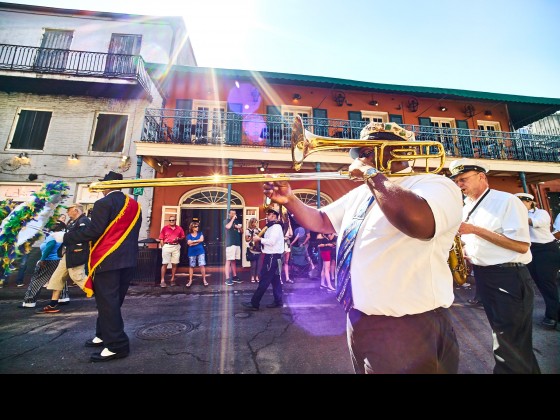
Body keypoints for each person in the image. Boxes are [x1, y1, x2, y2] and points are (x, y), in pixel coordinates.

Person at [262, 121, 463, 374]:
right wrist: (289, 200)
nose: (363, 157)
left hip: (411, 326)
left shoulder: (433, 184)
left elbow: (419, 222)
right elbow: (322, 221)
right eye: (361, 152)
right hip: (359, 319)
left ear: (401, 151)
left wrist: (371, 175)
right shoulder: (363, 193)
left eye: (370, 150)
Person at [450, 159, 541, 374]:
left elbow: (520, 245)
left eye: (463, 179)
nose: (459, 185)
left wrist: (476, 230)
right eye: (456, 181)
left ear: (482, 177)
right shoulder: (467, 206)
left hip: (508, 276)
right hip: (485, 276)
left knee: (506, 343)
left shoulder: (507, 201)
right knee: (513, 343)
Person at [51, 171, 142, 362]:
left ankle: (117, 345)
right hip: (128, 260)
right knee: (112, 302)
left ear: (106, 187)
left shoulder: (103, 203)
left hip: (107, 260)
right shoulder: (134, 205)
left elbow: (94, 231)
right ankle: (103, 334)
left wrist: (65, 237)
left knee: (107, 303)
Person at [515, 192, 560, 330]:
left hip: (546, 250)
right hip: (530, 250)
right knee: (529, 283)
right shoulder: (515, 216)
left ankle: (553, 316)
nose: (520, 206)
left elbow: (537, 223)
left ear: (530, 202)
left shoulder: (540, 213)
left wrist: (517, 216)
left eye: (523, 203)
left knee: (547, 283)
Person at [36, 203, 91, 313]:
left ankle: (102, 296)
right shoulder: (73, 222)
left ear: (76, 210)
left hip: (76, 254)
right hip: (68, 253)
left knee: (78, 277)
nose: (67, 212)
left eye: (69, 210)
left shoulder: (84, 221)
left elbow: (83, 237)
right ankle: (53, 304)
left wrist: (63, 237)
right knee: (57, 277)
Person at [242, 207, 284, 311]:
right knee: (275, 280)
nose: (266, 216)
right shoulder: (271, 227)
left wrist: (259, 239)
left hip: (272, 257)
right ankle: (278, 301)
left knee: (264, 279)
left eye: (268, 214)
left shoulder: (276, 227)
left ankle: (254, 303)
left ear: (273, 215)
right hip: (274, 256)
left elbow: (272, 241)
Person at [18, 221, 67, 308]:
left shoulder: (53, 236)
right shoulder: (62, 235)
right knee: (60, 279)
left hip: (49, 261)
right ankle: (63, 298)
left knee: (37, 280)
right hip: (58, 260)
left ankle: (29, 301)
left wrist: (42, 259)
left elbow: (50, 246)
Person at [159, 215, 185, 288]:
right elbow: (161, 238)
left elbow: (183, 237)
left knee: (175, 263)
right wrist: (163, 246)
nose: (171, 221)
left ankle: (172, 279)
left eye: (173, 220)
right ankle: (162, 280)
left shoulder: (179, 228)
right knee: (165, 263)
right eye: (170, 220)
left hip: (176, 246)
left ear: (175, 220)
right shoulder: (165, 228)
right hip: (167, 246)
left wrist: (178, 238)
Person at [224, 209, 243, 286]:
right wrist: (232, 220)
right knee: (228, 260)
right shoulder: (226, 221)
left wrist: (239, 227)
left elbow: (242, 232)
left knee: (234, 260)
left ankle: (235, 276)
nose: (234, 214)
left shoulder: (237, 221)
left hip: (236, 243)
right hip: (230, 243)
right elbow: (228, 227)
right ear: (229, 214)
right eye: (232, 213)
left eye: (234, 213)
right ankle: (227, 278)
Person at [186, 221, 207, 287]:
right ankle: (190, 280)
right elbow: (189, 243)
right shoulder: (188, 235)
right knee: (191, 266)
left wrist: (193, 242)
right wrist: (197, 241)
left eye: (197, 226)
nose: (197, 228)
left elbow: (201, 240)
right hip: (192, 252)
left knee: (202, 265)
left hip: (200, 251)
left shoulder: (200, 233)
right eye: (195, 226)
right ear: (192, 227)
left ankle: (204, 279)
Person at [245, 217, 262, 283]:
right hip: (252, 249)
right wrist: (252, 234)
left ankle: (257, 276)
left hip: (258, 249)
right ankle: (252, 277)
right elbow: (246, 239)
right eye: (254, 222)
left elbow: (261, 237)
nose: (255, 224)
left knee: (259, 264)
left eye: (256, 222)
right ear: (251, 223)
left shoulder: (258, 229)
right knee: (253, 265)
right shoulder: (248, 230)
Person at [281, 212, 293, 284]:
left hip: (287, 244)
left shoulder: (288, 226)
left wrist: (289, 225)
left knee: (286, 261)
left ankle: (287, 278)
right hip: (282, 244)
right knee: (281, 261)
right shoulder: (281, 226)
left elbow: (291, 234)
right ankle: (279, 278)